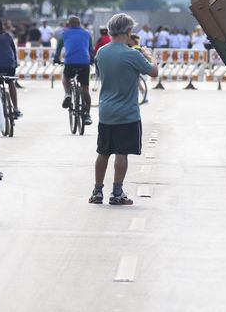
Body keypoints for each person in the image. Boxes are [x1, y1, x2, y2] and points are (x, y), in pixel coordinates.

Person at [90, 13, 157, 205]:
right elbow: (153, 72)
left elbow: (101, 74)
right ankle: (117, 193)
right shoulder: (132, 54)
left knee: (103, 152)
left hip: (106, 112)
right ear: (128, 31)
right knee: (121, 153)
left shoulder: (102, 52)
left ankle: (97, 192)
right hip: (127, 113)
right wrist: (149, 56)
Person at [55, 15, 94, 125]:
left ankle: (67, 93)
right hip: (84, 63)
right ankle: (87, 115)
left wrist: (56, 59)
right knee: (85, 89)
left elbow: (58, 49)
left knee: (66, 77)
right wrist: (91, 60)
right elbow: (91, 49)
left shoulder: (64, 34)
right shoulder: (87, 33)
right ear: (80, 23)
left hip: (70, 62)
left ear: (69, 24)